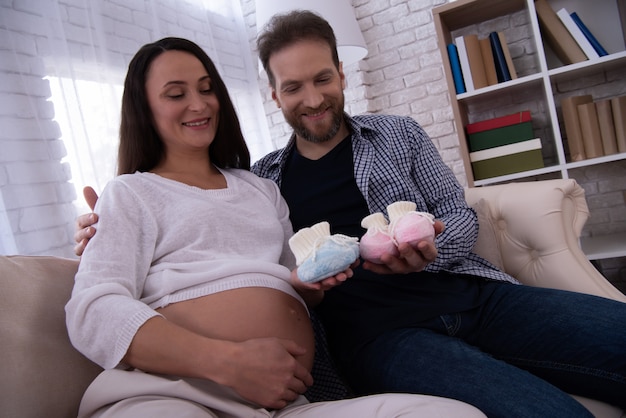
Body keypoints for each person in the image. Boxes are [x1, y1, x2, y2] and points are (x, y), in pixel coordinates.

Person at [74, 11, 626, 418]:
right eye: (293, 87)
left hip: (475, 296)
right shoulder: (265, 180)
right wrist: (101, 230)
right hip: (381, 337)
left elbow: (459, 214)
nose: (311, 98)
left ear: (341, 73)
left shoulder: (396, 135)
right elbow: (198, 224)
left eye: (321, 79)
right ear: (274, 95)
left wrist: (432, 248)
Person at [65, 37, 486, 418]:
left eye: (207, 88)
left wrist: (308, 286)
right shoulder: (131, 193)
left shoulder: (260, 188)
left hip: (281, 403)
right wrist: (228, 362)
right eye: (176, 94)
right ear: (144, 108)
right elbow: (92, 311)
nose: (199, 104)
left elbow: (290, 283)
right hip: (171, 395)